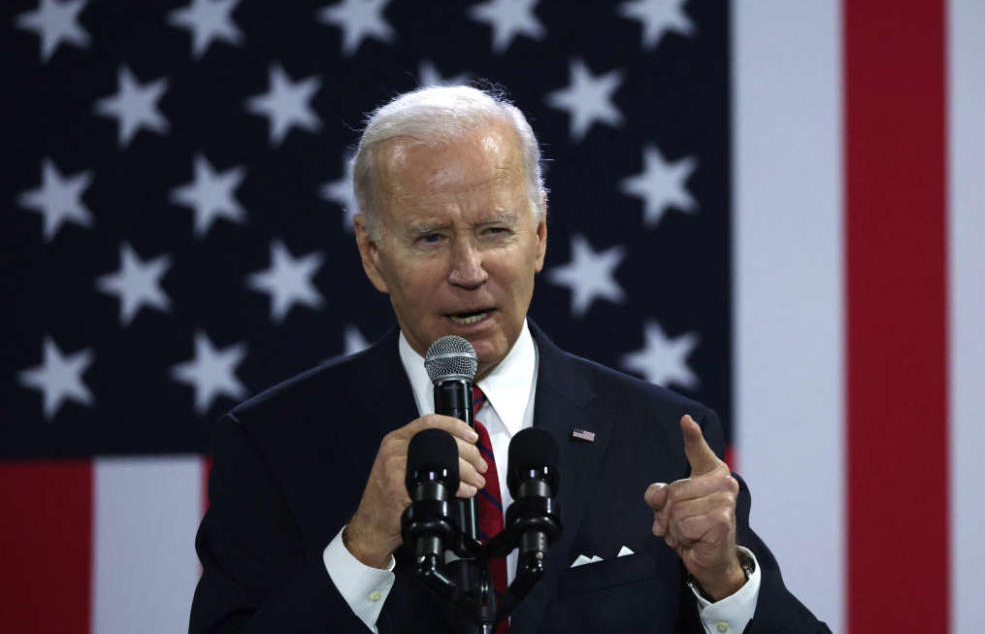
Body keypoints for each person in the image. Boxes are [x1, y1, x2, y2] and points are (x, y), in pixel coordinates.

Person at [189, 86, 830, 633]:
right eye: (430, 237)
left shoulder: (663, 438)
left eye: (495, 231)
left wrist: (724, 581)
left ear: (540, 236)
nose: (468, 272)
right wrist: (362, 547)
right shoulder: (274, 444)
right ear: (372, 252)